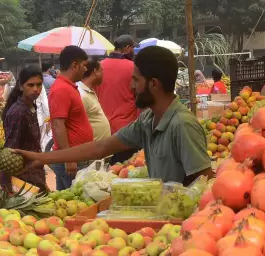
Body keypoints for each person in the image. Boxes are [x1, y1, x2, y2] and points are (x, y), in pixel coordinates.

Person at [15, 46, 212, 186]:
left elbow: (205, 182)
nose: (131, 87)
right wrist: (42, 158)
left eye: (135, 80)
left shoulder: (183, 125)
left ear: (154, 84)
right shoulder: (148, 120)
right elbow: (102, 147)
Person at [47, 45, 94, 191]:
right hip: (72, 159)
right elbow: (57, 125)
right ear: (74, 65)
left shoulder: (69, 87)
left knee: (67, 203)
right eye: (84, 66)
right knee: (77, 202)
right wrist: (69, 157)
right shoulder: (61, 89)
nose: (86, 70)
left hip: (76, 156)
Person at [0, 64, 48, 193]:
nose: (35, 89)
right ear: (21, 86)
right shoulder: (18, 112)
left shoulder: (31, 106)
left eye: (39, 85)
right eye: (30, 85)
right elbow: (10, 150)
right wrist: (6, 183)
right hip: (23, 178)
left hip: (35, 174)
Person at [96, 34, 140, 164]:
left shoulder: (99, 67)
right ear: (127, 48)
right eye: (133, 47)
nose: (134, 51)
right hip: (126, 131)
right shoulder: (133, 67)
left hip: (103, 131)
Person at [78, 58, 111, 143]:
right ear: (95, 71)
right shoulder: (81, 94)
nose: (103, 74)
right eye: (102, 71)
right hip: (92, 152)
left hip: (101, 150)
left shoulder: (90, 90)